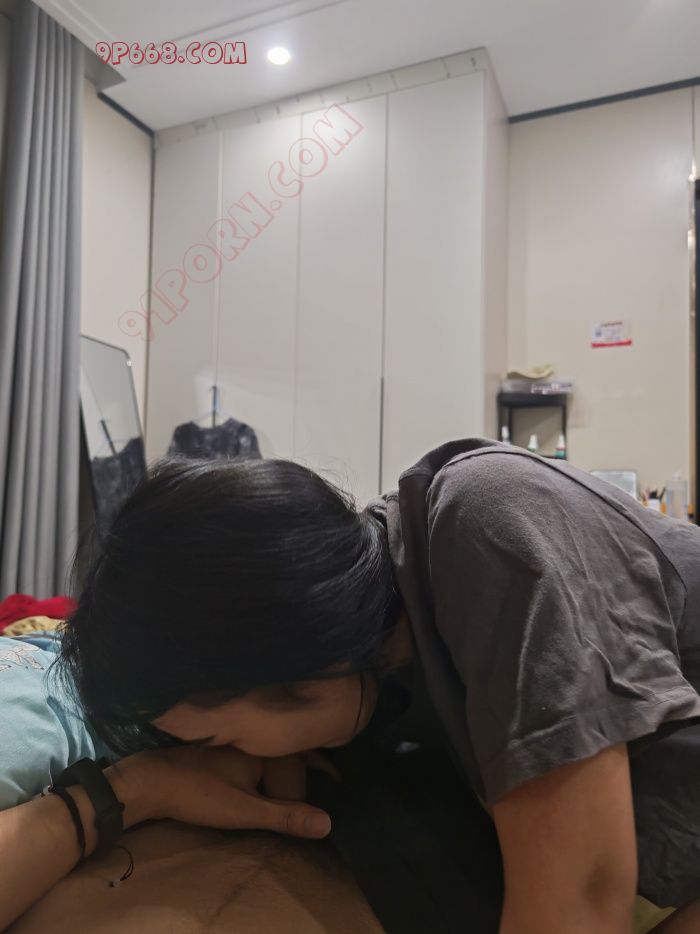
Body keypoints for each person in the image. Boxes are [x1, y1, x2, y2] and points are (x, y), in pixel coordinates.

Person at [4, 437, 700, 932]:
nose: (233, 759)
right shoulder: (380, 681)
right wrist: (135, 791)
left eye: (221, 738)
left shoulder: (486, 522)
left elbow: (578, 906)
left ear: (290, 669)